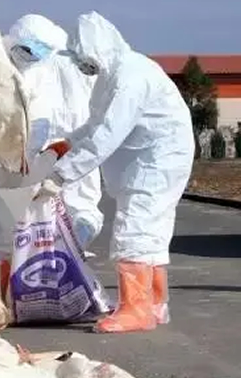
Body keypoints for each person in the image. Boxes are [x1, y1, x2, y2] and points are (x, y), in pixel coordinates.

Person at [35, 11, 194, 333]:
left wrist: (60, 175)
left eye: (85, 59)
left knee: (134, 231)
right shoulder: (111, 76)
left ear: (100, 48)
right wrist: (67, 143)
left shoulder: (131, 77)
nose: (84, 66)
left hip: (155, 163)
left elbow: (106, 135)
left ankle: (136, 310)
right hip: (149, 162)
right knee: (152, 233)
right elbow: (95, 123)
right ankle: (154, 304)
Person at [0, 15, 99, 300]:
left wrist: (31, 160)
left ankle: (5, 301)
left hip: (9, 168)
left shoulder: (41, 74)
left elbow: (39, 124)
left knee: (10, 237)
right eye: (26, 48)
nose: (29, 56)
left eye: (38, 52)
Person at [5, 14, 105, 253]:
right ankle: (72, 247)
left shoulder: (32, 67)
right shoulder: (74, 62)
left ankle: (48, 250)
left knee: (37, 202)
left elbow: (27, 113)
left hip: (46, 146)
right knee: (82, 204)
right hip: (79, 143)